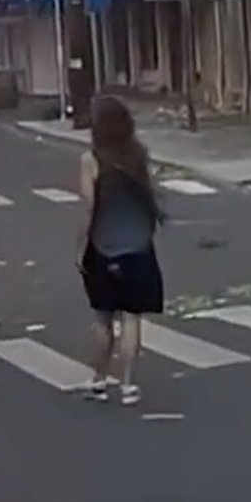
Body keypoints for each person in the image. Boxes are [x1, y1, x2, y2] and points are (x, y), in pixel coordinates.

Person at [76, 95, 169, 406]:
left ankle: (98, 380)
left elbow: (90, 207)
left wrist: (81, 245)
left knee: (102, 318)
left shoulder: (91, 160)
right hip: (139, 247)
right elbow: (151, 195)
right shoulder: (139, 155)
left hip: (103, 247)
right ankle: (128, 384)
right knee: (131, 319)